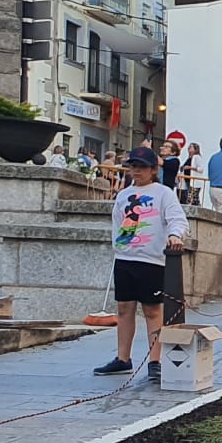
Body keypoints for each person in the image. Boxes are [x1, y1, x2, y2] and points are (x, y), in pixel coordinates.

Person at [92, 147, 187, 383]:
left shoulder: (164, 194)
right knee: (124, 308)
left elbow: (177, 218)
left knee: (152, 310)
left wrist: (175, 235)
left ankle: (155, 360)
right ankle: (123, 358)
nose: (137, 171)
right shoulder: (124, 195)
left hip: (152, 259)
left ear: (153, 169)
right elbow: (117, 221)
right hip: (125, 258)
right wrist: (118, 246)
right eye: (133, 166)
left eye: (142, 167)